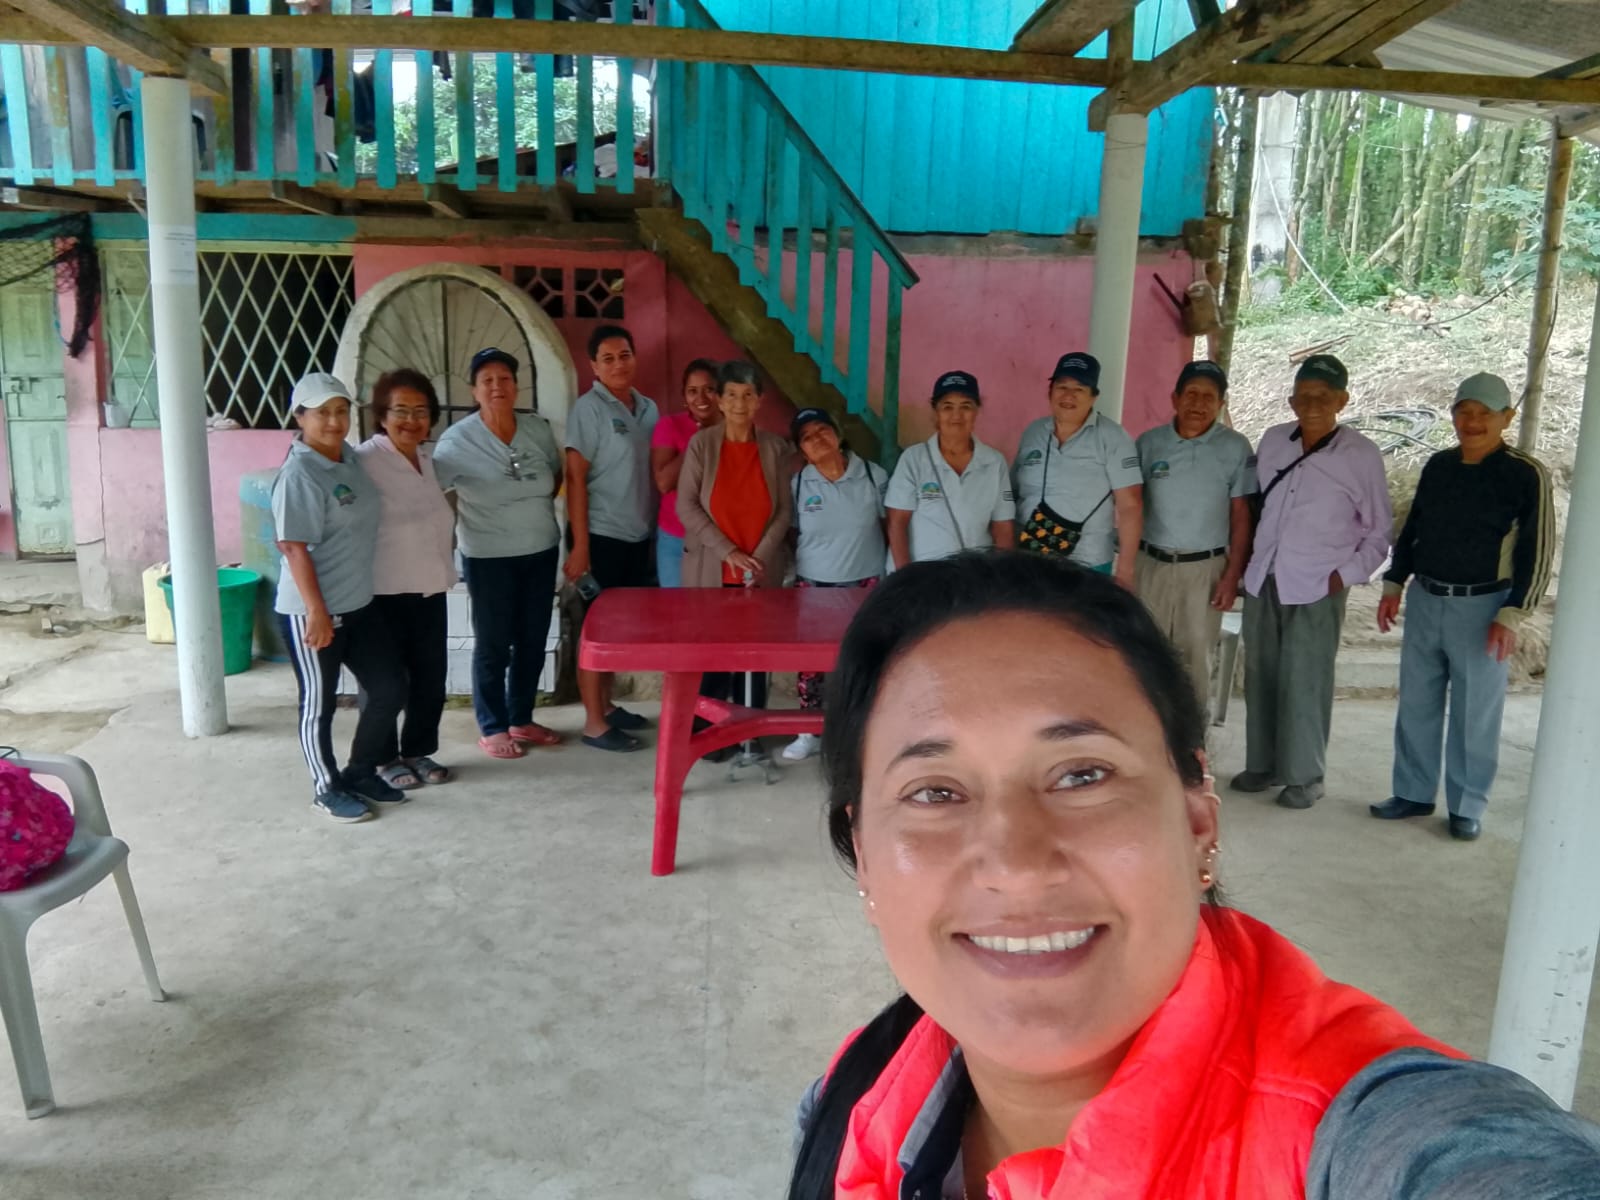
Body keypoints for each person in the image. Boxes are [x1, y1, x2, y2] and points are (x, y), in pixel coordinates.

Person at [789, 550, 1600, 1200]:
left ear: (1199, 821)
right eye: (934, 792)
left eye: (1082, 775)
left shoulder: (1359, 1130)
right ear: (864, 853)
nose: (1017, 864)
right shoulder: (852, 1104)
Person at [1372, 372, 1555, 842]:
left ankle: (1467, 805)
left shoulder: (1525, 474)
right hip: (1427, 599)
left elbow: (1537, 551)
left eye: (1484, 414)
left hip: (1484, 608)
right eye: (1463, 412)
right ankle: (1412, 792)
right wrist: (1394, 582)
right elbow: (1414, 528)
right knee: (1417, 702)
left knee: (1476, 713)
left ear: (1506, 418)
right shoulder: (1440, 466)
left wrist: (1513, 613)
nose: (1472, 422)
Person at [1233, 354, 1391, 811]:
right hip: (1265, 577)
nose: (1313, 405)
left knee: (1306, 681)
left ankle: (1305, 776)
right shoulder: (1273, 441)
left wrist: (1344, 576)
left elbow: (1379, 532)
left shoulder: (1360, 455)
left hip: (1318, 584)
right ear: (1292, 401)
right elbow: (1256, 505)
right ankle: (1263, 765)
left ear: (1343, 400)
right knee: (1261, 675)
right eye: (1304, 396)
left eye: (1324, 396)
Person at [272, 372, 407, 823]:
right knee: (319, 703)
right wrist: (317, 611)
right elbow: (293, 547)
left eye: (341, 411)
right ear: (300, 417)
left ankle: (360, 771)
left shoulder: (349, 458)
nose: (334, 421)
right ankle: (326, 788)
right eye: (322, 413)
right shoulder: (299, 474)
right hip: (313, 610)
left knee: (389, 688)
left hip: (358, 603)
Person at [433, 347, 565, 760]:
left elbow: (556, 474)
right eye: (487, 380)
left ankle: (520, 717)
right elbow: (430, 490)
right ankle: (492, 725)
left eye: (504, 378)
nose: (497, 386)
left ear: (516, 386)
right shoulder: (457, 440)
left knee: (532, 639)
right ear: (474, 391)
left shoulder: (536, 429)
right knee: (493, 642)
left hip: (541, 550)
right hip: (488, 557)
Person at [677, 360, 794, 760]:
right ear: (720, 401)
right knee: (711, 657)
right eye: (731, 395)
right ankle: (707, 734)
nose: (739, 403)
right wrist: (729, 551)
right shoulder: (703, 445)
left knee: (755, 659)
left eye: (748, 395)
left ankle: (750, 733)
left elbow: (783, 511)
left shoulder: (775, 448)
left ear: (759, 401)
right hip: (712, 568)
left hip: (758, 571)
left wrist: (757, 558)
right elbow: (686, 506)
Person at [354, 368, 457, 789]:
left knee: (430, 677)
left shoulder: (428, 461)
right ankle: (383, 759)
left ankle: (418, 750)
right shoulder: (363, 461)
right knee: (386, 683)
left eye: (420, 411)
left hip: (429, 586)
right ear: (382, 415)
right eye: (400, 410)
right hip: (383, 590)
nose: (411, 420)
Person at [1134, 360, 1257, 713]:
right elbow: (1131, 505)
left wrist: (1232, 576)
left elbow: (1241, 515)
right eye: (1191, 394)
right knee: (1145, 655)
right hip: (1151, 564)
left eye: (1208, 397)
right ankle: (1150, 735)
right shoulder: (1149, 444)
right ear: (1175, 399)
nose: (1198, 403)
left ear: (1221, 404)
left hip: (1205, 569)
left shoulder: (1235, 448)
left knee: (1196, 660)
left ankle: (1192, 740)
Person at [563, 324, 659, 752]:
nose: (618, 364)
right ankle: (593, 724)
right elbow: (575, 477)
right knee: (594, 630)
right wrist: (581, 546)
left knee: (618, 631)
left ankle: (606, 704)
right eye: (608, 358)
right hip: (600, 536)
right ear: (594, 367)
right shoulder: (589, 409)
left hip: (637, 536)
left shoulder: (648, 408)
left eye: (624, 355)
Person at [782, 407, 888, 763]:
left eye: (823, 430)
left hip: (865, 584)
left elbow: (889, 527)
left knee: (864, 659)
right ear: (802, 450)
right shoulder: (799, 484)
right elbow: (792, 533)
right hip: (814, 586)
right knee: (810, 664)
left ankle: (863, 734)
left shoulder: (872, 475)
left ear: (838, 433)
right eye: (807, 437)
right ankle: (809, 732)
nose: (817, 439)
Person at [1012, 352, 1143, 583]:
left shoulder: (1113, 438)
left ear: (1093, 397)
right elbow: (1014, 491)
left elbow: (1130, 506)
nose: (1068, 396)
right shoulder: (1033, 433)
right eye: (1062, 387)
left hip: (1088, 564)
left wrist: (1125, 571)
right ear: (1050, 392)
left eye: (1079, 389)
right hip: (1030, 559)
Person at [886, 371, 1015, 567]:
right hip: (923, 573)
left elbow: (1003, 527)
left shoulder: (994, 462)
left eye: (966, 406)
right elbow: (897, 523)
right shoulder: (914, 459)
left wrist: (1001, 575)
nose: (956, 415)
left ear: (977, 411)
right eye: (947, 407)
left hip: (973, 574)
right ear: (935, 412)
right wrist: (905, 576)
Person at [650, 358, 721, 588]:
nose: (701, 399)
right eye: (692, 391)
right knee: (677, 607)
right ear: (684, 397)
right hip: (676, 538)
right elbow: (664, 483)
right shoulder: (669, 425)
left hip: (721, 540)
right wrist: (698, 441)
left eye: (709, 389)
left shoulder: (734, 430)